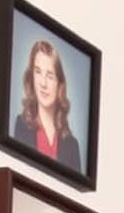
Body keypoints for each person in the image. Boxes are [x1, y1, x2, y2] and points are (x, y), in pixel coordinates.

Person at [12, 39, 82, 172]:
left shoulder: (72, 146)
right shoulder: (21, 126)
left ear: (59, 84)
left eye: (50, 76)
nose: (43, 83)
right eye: (38, 72)